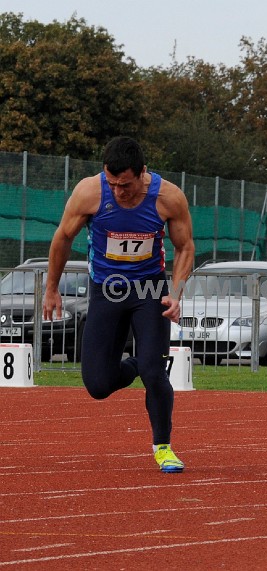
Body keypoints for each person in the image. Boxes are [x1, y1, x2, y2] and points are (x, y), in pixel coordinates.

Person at [43, 136, 195, 473]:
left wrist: (176, 292)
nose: (118, 191)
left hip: (149, 290)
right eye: (111, 183)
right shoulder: (89, 192)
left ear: (142, 173)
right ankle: (141, 362)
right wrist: (51, 288)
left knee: (155, 374)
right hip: (106, 290)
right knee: (98, 385)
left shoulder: (168, 197)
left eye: (125, 185)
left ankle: (163, 447)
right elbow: (63, 237)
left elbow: (185, 247)